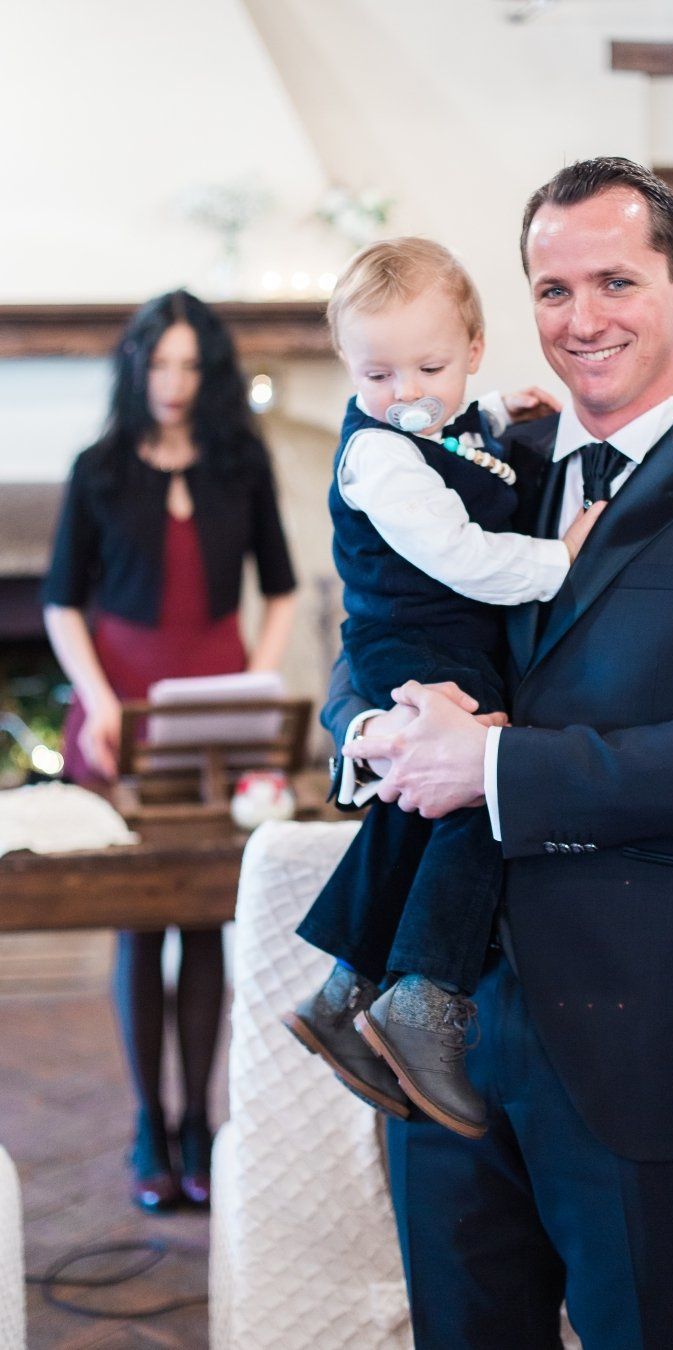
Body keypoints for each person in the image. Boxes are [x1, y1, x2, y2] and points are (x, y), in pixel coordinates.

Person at [325, 159, 673, 1349]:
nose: (583, 319)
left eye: (615, 280)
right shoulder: (475, 453)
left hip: (646, 1037)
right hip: (443, 1025)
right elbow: (377, 623)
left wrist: (497, 770)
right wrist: (364, 731)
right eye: (552, 288)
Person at [284, 237, 603, 1138]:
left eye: (430, 366)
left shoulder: (433, 421)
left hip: (439, 642)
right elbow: (458, 553)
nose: (407, 394)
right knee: (477, 799)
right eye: (376, 375)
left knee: (423, 810)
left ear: (471, 350)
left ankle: (345, 994)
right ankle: (424, 1000)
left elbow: (454, 434)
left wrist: (497, 409)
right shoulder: (379, 457)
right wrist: (558, 559)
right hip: (413, 644)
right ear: (348, 367)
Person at [43, 289, 297, 1212]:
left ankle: (202, 1124)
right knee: (139, 917)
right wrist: (100, 701)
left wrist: (254, 683)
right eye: (159, 365)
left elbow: (279, 589)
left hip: (216, 708)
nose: (174, 383)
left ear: (212, 373)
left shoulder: (241, 464)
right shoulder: (99, 468)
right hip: (122, 710)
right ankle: (151, 1121)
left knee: (203, 915)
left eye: (191, 366)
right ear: (135, 367)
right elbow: (62, 601)